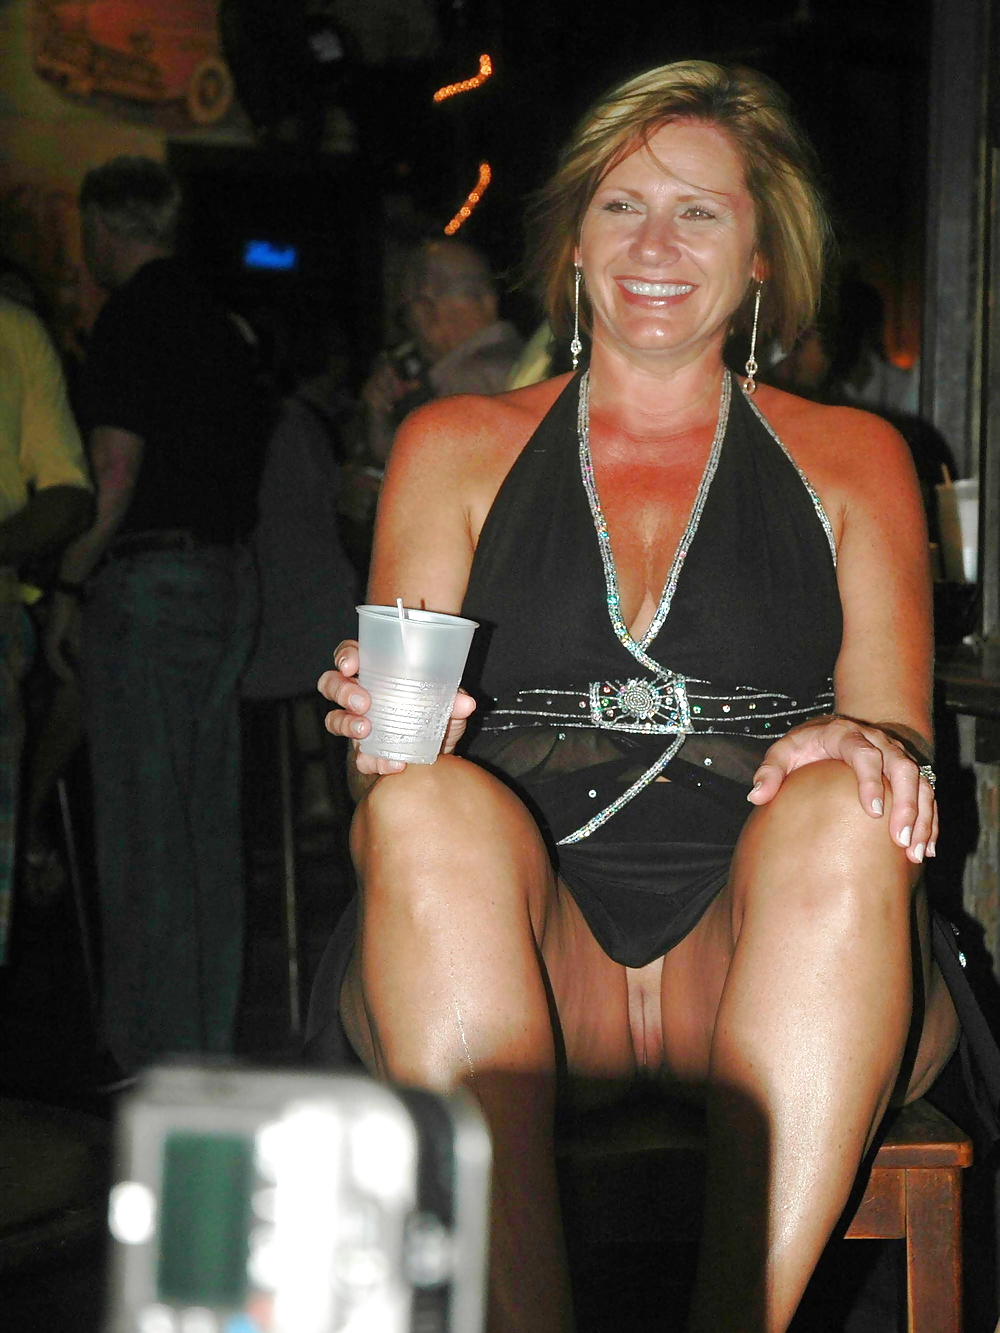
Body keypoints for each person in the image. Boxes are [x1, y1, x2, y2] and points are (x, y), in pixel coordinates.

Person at [313, 62, 961, 1332]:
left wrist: (856, 741)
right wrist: (383, 743)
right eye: (621, 206)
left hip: (771, 952)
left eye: (698, 212)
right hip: (527, 965)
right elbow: (380, 764)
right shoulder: (452, 445)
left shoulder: (856, 458)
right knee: (420, 811)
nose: (653, 245)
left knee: (851, 805)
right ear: (573, 239)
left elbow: (904, 759)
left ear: (761, 253)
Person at [45, 157, 266, 1075]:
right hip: (226, 578)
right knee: (204, 826)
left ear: (103, 226)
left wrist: (68, 583)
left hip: (150, 583)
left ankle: (151, 1053)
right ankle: (201, 1042)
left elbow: (114, 471)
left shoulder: (131, 317)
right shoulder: (221, 322)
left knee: (144, 829)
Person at [0, 295, 92, 964]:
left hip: (15, 608)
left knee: (78, 680)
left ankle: (30, 827)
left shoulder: (14, 329)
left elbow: (70, 490)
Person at [360, 236, 524, 466]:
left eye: (405, 311)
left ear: (424, 307)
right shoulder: (520, 359)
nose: (409, 326)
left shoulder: (471, 380)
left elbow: (421, 473)